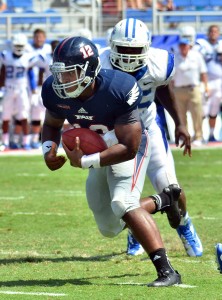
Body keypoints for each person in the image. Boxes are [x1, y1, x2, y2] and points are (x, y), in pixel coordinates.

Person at [41, 35, 182, 287]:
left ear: (90, 69)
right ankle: (163, 200)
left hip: (130, 146)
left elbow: (128, 147)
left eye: (71, 73)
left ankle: (167, 271)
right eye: (60, 73)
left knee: (123, 203)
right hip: (99, 153)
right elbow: (52, 123)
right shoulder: (54, 91)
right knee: (108, 228)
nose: (63, 80)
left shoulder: (119, 87)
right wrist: (48, 150)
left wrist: (84, 162)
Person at [99, 18, 202, 257]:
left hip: (147, 126)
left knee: (170, 187)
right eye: (123, 49)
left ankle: (184, 223)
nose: (128, 56)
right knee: (124, 198)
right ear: (111, 45)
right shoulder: (100, 63)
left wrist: (180, 123)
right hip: (118, 134)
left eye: (134, 50)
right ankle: (136, 230)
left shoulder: (159, 63)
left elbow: (164, 89)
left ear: (146, 48)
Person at [0, 33, 38, 150]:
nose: (19, 47)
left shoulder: (28, 57)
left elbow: (31, 75)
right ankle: (5, 143)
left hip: (22, 90)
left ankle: (25, 142)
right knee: (5, 116)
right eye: (17, 45)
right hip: (9, 88)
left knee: (24, 116)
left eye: (21, 45)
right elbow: (3, 72)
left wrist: (34, 90)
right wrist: (1, 87)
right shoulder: (6, 56)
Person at [172, 37, 208, 147]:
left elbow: (203, 73)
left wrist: (206, 87)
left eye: (185, 45)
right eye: (181, 45)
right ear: (179, 46)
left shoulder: (196, 56)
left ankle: (198, 137)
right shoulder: (175, 57)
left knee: (196, 114)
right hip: (178, 89)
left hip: (193, 88)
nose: (183, 47)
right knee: (180, 115)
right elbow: (171, 76)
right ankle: (185, 136)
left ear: (189, 46)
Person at [195, 25, 222, 142]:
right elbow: (196, 59)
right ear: (207, 33)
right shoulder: (201, 44)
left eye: (215, 31)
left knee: (214, 110)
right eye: (211, 31)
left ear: (219, 33)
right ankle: (199, 135)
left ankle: (211, 134)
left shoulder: (220, 44)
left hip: (219, 81)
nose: (213, 33)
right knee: (203, 110)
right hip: (206, 81)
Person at [26, 28, 52, 149]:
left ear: (45, 38)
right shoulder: (27, 49)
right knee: (29, 113)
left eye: (41, 36)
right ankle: (28, 139)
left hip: (44, 86)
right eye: (37, 37)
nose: (39, 39)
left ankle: (41, 138)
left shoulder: (48, 49)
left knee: (46, 113)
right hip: (29, 85)